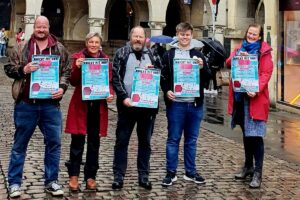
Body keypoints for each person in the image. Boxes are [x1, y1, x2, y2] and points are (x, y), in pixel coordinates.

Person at [4, 16, 71, 198]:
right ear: (34, 27)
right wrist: (22, 70)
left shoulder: (59, 48)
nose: (41, 29)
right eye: (38, 26)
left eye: (44, 27)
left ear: (49, 28)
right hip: (26, 105)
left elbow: (66, 71)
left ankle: (51, 181)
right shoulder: (22, 47)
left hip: (50, 105)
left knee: (54, 144)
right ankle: (15, 183)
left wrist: (62, 87)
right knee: (19, 145)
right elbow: (9, 68)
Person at [111, 26, 163, 190]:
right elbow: (116, 77)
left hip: (147, 107)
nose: (138, 39)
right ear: (131, 37)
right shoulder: (122, 53)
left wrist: (154, 70)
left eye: (141, 36)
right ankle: (118, 176)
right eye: (135, 36)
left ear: (145, 39)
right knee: (122, 141)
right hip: (127, 106)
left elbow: (162, 74)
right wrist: (123, 97)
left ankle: (144, 175)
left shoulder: (153, 54)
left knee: (145, 143)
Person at [160, 22, 211, 187]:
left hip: (194, 104)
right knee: (173, 139)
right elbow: (163, 77)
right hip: (176, 104)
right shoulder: (169, 55)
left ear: (191, 35)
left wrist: (203, 68)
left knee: (191, 140)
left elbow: (208, 78)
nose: (184, 37)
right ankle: (171, 172)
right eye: (182, 34)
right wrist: (167, 90)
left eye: (187, 34)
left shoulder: (199, 55)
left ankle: (190, 172)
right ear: (177, 35)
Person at [64, 32, 114, 191]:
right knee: (77, 142)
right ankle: (73, 176)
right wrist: (77, 68)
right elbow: (73, 81)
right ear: (86, 43)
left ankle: (91, 176)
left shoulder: (105, 61)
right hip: (81, 105)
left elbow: (109, 82)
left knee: (94, 143)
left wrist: (110, 93)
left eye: (96, 42)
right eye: (91, 42)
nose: (93, 45)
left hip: (97, 107)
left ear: (100, 44)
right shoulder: (78, 58)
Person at [226, 23, 273, 188]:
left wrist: (256, 89)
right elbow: (228, 63)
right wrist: (238, 56)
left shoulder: (264, 52)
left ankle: (258, 173)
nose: (251, 36)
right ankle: (248, 167)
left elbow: (266, 73)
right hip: (241, 99)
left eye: (255, 34)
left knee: (256, 137)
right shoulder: (240, 48)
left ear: (259, 37)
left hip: (256, 99)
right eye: (250, 33)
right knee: (246, 135)